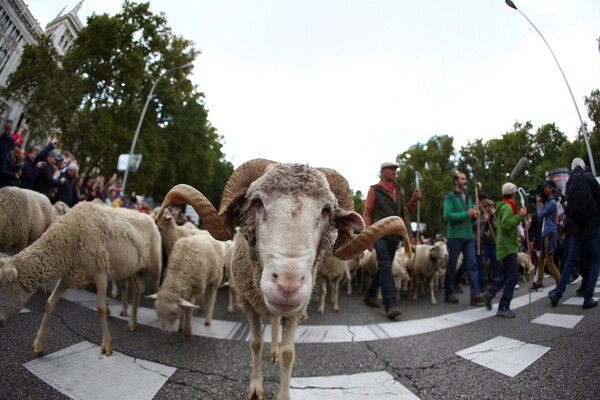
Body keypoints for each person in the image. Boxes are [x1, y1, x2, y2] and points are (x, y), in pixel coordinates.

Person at [362, 161, 421, 319]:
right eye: (391, 169)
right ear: (383, 171)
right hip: (380, 234)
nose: (394, 171)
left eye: (395, 169)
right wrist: (368, 236)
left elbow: (404, 212)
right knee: (386, 267)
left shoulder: (399, 189)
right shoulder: (374, 190)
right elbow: (367, 212)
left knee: (384, 266)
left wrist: (414, 200)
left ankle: (369, 295)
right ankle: (390, 304)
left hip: (395, 235)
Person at [549, 158, 600, 309]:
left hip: (577, 230)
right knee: (596, 260)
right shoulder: (589, 178)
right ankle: (588, 296)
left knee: (570, 262)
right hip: (593, 226)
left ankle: (558, 294)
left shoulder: (569, 183)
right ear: (583, 166)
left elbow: (569, 209)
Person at [482, 182, 528, 318]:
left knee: (507, 274)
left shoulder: (503, 206)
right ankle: (503, 306)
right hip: (508, 245)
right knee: (513, 276)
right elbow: (507, 224)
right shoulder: (508, 207)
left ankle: (489, 294)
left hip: (505, 244)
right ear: (514, 194)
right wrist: (520, 216)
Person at [442, 172, 484, 305]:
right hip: (455, 236)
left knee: (472, 265)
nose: (465, 181)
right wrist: (467, 213)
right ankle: (449, 292)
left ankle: (475, 294)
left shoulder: (470, 197)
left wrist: (474, 216)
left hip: (468, 236)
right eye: (462, 179)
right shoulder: (450, 197)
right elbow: (447, 215)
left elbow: (470, 219)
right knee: (452, 264)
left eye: (465, 179)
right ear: (456, 182)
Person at [532, 181, 561, 290]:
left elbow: (540, 214)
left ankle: (560, 281)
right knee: (541, 259)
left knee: (549, 260)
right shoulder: (549, 202)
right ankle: (539, 282)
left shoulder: (552, 202)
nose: (544, 189)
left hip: (549, 233)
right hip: (546, 233)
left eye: (546, 187)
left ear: (551, 189)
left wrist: (538, 204)